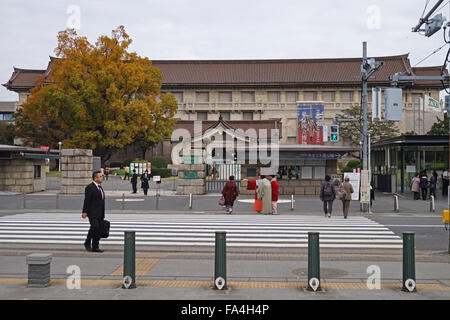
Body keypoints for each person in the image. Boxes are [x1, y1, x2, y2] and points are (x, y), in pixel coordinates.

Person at [82, 171, 106, 253]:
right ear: (95, 178)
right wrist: (85, 211)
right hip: (92, 212)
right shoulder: (90, 187)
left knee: (98, 229)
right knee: (95, 227)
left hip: (100, 213)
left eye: (102, 176)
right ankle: (87, 243)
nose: (102, 177)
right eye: (100, 176)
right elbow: (87, 201)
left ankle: (95, 246)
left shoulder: (100, 187)